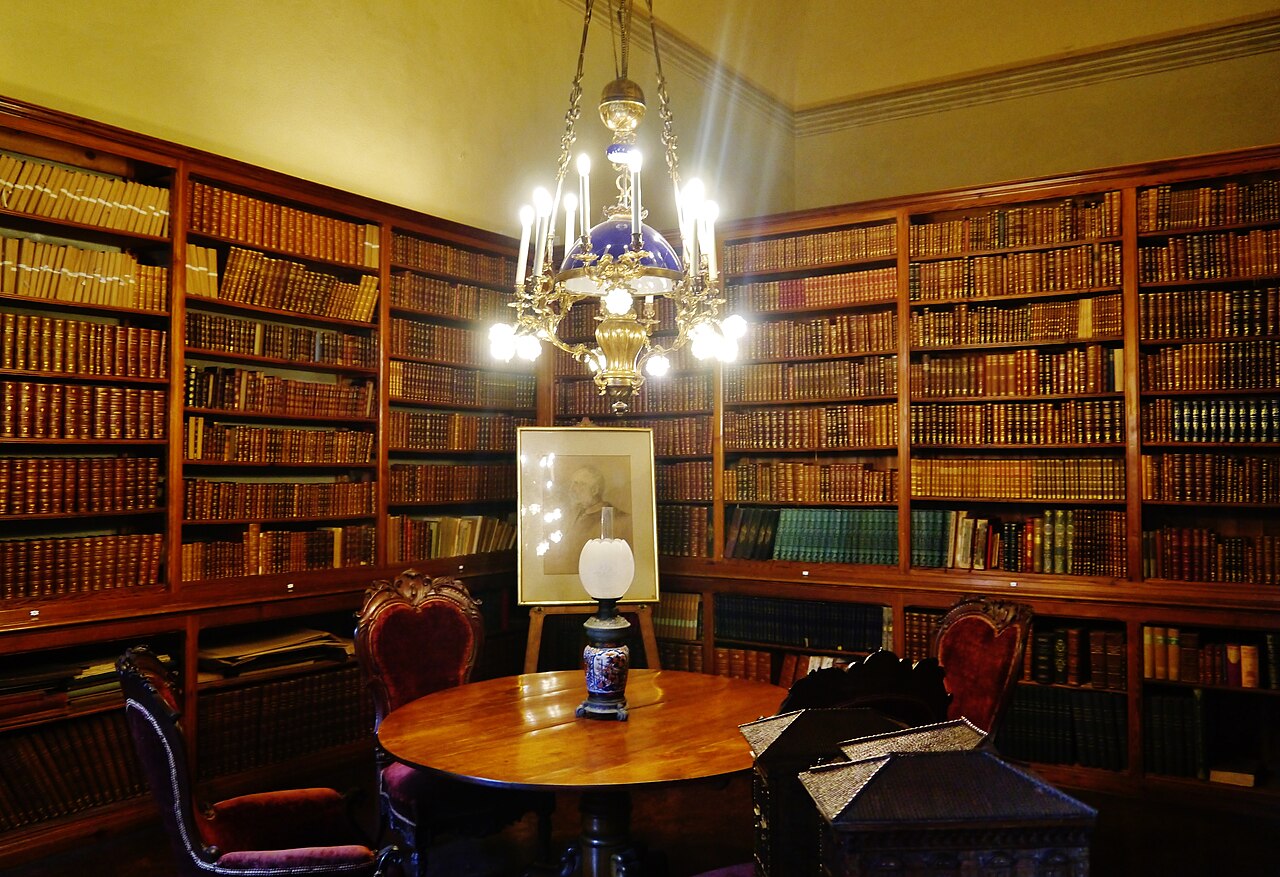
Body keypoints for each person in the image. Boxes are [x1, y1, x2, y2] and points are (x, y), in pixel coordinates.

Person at [544, 463, 632, 576]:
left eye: (578, 484)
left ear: (594, 490)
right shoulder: (572, 514)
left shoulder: (616, 519)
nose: (572, 489)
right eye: (572, 484)